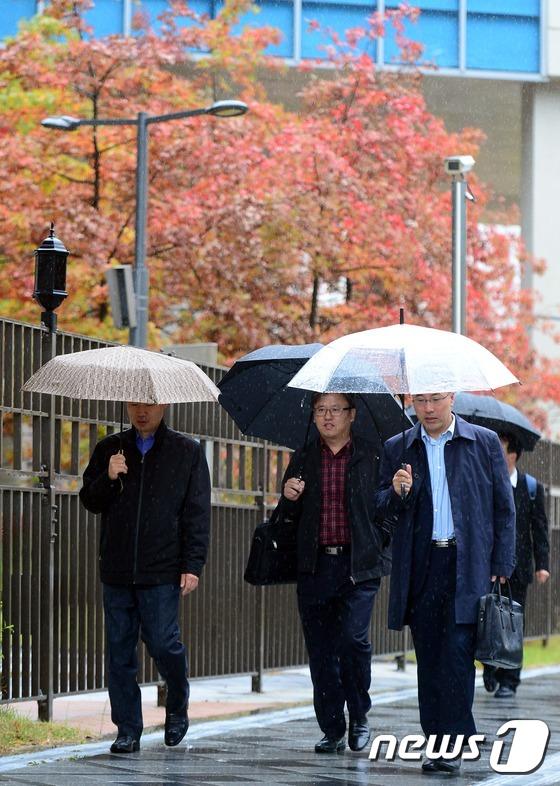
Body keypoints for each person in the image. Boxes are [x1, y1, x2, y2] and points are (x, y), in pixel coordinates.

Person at [375, 392, 515, 775]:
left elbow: (504, 508)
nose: (429, 409)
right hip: (421, 565)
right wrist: (397, 492)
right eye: (421, 401)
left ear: (450, 397)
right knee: (430, 657)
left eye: (436, 399)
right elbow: (379, 508)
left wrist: (502, 562)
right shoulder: (398, 447)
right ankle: (437, 742)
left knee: (456, 654)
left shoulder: (482, 442)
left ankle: (453, 742)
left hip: (466, 563)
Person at [80, 401, 211, 754]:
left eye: (149, 405)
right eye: (135, 404)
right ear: (126, 405)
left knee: (163, 643)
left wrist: (192, 565)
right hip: (118, 568)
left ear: (163, 405)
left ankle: (178, 698)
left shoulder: (187, 452)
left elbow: (197, 514)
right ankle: (127, 729)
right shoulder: (110, 448)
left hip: (162, 569)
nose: (141, 411)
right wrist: (108, 477)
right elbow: (89, 500)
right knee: (120, 650)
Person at [281, 392, 391, 754]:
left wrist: (379, 541)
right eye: (320, 410)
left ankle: (360, 715)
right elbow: (284, 522)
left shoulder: (372, 455)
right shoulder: (304, 457)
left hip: (358, 566)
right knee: (321, 651)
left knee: (353, 640)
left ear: (352, 415)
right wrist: (288, 497)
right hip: (315, 567)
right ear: (313, 416)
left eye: (335, 410)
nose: (327, 417)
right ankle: (332, 727)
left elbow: (386, 509)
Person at [483, 432, 550, 699]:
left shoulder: (531, 488)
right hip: (488, 564)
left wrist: (542, 564)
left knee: (513, 624)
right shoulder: (486, 483)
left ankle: (510, 679)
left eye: (501, 450)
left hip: (518, 567)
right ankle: (489, 667)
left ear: (513, 454)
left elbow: (540, 529)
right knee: (487, 620)